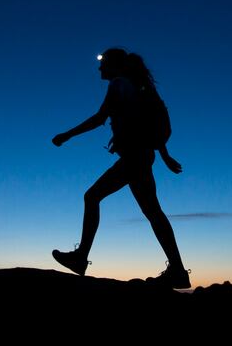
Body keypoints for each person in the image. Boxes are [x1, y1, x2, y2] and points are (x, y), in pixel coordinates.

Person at [51, 48, 190, 288]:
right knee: (153, 212)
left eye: (103, 63)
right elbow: (148, 121)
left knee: (92, 196)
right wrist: (163, 154)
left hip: (135, 157)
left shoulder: (118, 84)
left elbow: (99, 118)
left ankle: (80, 258)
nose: (99, 68)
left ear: (114, 65)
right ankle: (177, 270)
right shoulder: (137, 86)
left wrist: (67, 135)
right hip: (142, 156)